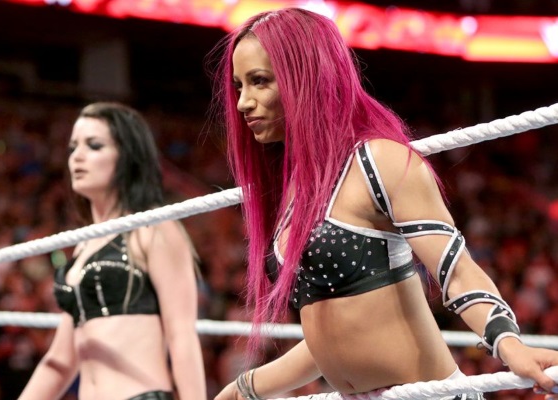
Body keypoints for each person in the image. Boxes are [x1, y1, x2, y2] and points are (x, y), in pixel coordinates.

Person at [208, 7, 558, 400]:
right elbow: (332, 336)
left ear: (304, 77)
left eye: (259, 81)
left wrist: (510, 346)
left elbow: (457, 271)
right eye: (239, 86)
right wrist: (243, 388)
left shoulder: (379, 161)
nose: (243, 103)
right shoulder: (294, 190)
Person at [19, 102, 207, 400]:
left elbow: (181, 334)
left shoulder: (155, 229)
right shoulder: (84, 246)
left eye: (94, 145)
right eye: (73, 147)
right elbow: (59, 361)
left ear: (126, 156)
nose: (77, 156)